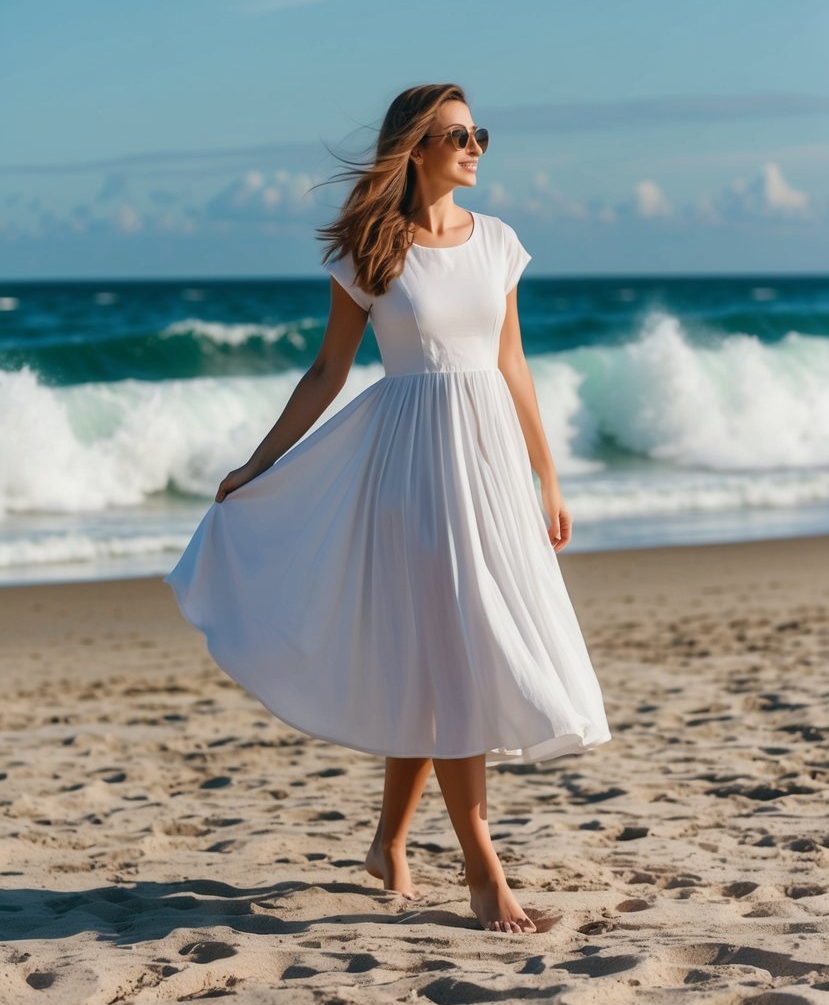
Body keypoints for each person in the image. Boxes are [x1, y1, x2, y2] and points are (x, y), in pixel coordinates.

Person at [165, 82, 611, 934]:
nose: (475, 146)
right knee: (450, 656)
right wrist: (261, 463)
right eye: (456, 134)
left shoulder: (501, 243)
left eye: (479, 132)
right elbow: (327, 373)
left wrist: (546, 477)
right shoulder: (372, 250)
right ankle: (483, 870)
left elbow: (512, 366)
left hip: (486, 471)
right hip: (407, 473)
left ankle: (386, 844)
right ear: (415, 147)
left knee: (438, 661)